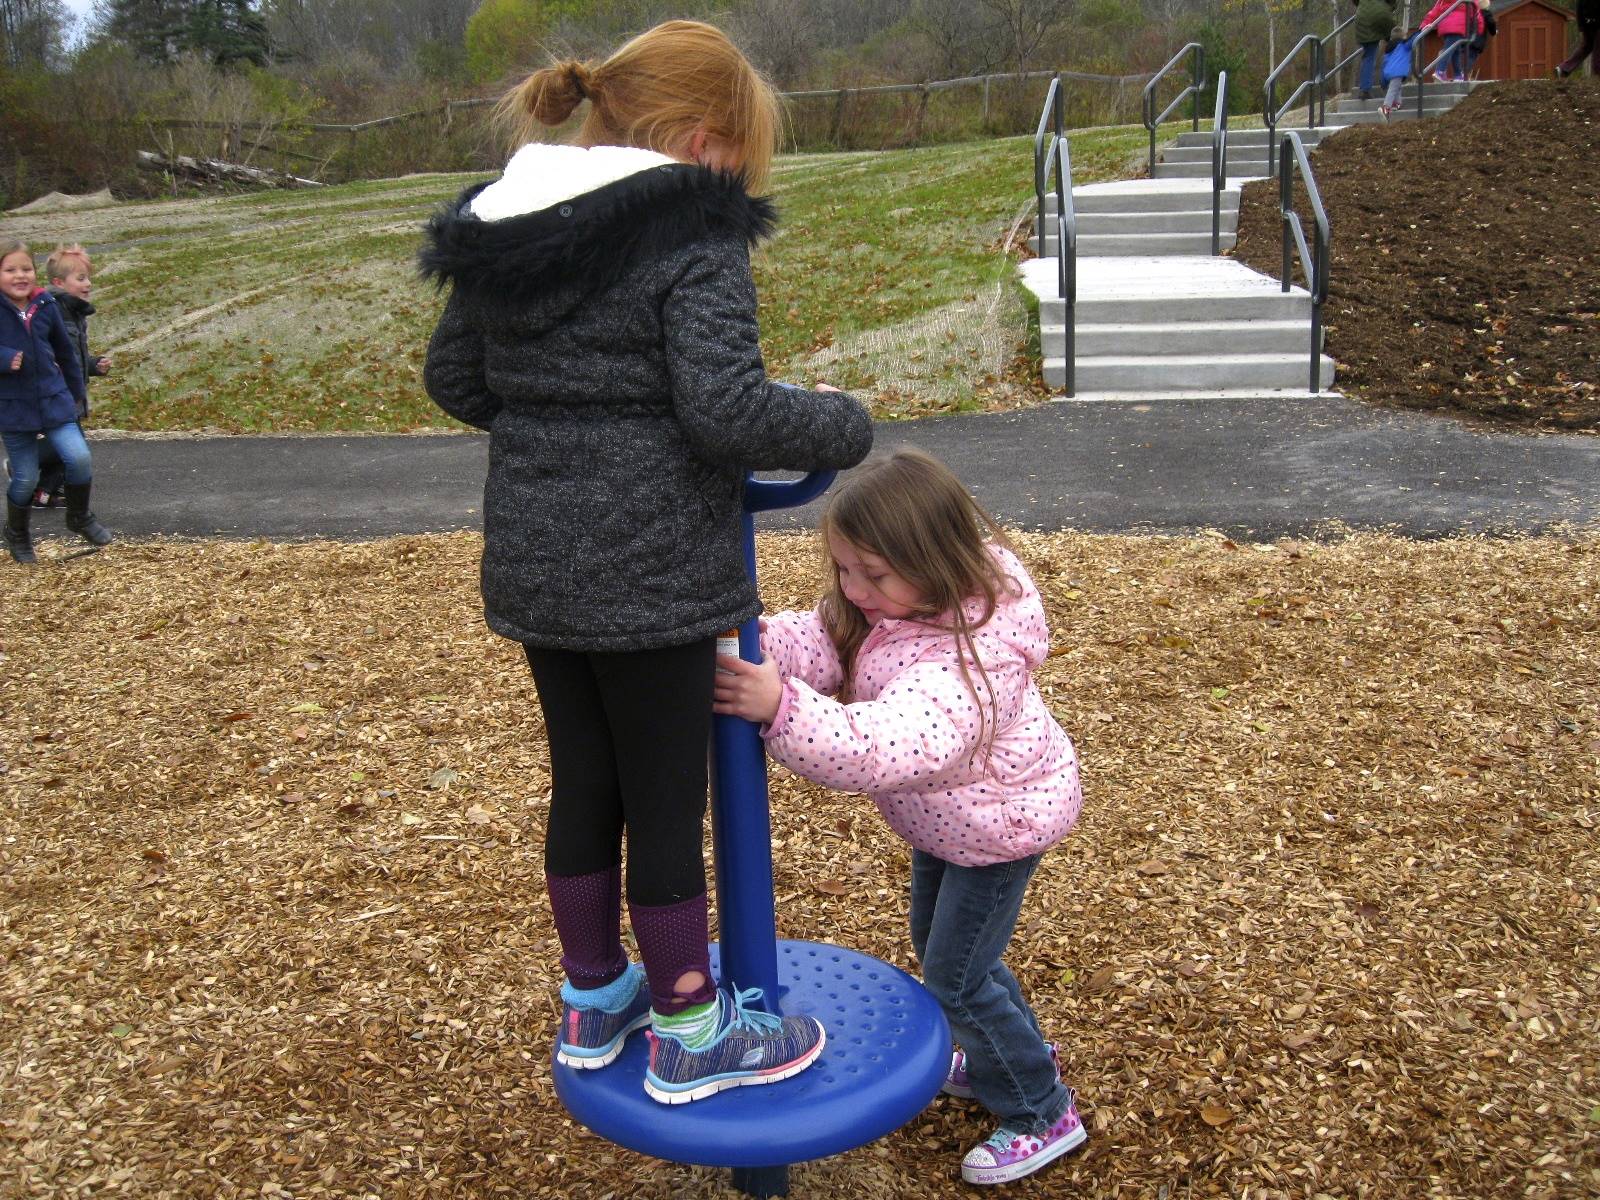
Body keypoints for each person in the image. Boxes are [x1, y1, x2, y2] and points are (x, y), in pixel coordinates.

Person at [419, 20, 873, 1104]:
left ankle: (595, 997)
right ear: (704, 141)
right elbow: (722, 411)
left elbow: (454, 378)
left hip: (538, 564)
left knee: (585, 782)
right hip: (656, 569)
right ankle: (688, 1029)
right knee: (668, 804)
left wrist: (556, 428)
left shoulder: (504, 220)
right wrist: (839, 425)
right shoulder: (689, 231)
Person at [713, 449, 1085, 1186]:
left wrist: (779, 706)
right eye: (844, 569)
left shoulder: (972, 661)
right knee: (948, 954)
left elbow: (883, 746)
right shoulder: (893, 601)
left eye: (872, 574)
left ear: (934, 560)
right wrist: (749, 639)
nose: (854, 589)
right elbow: (823, 637)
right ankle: (1003, 1055)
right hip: (946, 821)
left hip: (998, 827)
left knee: (956, 978)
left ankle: (1042, 1110)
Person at [1, 240, 112, 564]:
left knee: (78, 457)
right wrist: (6, 358)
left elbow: (65, 351)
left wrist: (76, 391)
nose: (20, 276)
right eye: (10, 270)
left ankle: (79, 516)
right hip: (13, 406)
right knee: (25, 477)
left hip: (54, 399)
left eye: (25, 269)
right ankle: (17, 533)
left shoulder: (45, 304)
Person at [34, 244, 111, 510]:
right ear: (58, 282)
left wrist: (92, 365)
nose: (88, 283)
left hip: (71, 392)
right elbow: (51, 355)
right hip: (58, 394)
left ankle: (43, 491)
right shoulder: (53, 312)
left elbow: (72, 356)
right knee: (71, 445)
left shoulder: (74, 312)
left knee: (68, 447)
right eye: (80, 278)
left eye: (88, 277)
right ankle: (28, 462)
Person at [1422, 0, 1481, 82]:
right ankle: (1440, 71)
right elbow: (1476, 10)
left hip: (1444, 26)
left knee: (1456, 50)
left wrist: (1425, 23)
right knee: (1449, 49)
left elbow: (1434, 12)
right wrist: (1479, 27)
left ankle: (1458, 75)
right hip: (1458, 26)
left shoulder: (1442, 1)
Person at [1354, 0, 1401, 99]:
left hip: (1361, 16)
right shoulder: (1385, 9)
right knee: (1394, 45)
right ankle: (1372, 87)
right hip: (1380, 15)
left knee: (1368, 55)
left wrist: (1363, 4)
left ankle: (1365, 88)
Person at [1556, 0, 1599, 78]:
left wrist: (1581, 27)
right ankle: (1597, 73)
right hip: (1592, 25)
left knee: (1586, 47)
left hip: (1588, 24)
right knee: (1596, 49)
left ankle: (1564, 68)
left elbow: (1579, 10)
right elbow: (1579, 10)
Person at [1380, 30, 1418, 118]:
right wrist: (1420, 30)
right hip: (1398, 71)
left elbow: (1384, 63)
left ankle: (1397, 103)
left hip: (1387, 72)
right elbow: (1413, 40)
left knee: (1397, 87)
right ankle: (1386, 108)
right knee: (1393, 89)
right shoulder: (1404, 45)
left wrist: (1383, 80)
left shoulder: (1388, 49)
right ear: (1402, 36)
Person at [1461, 0, 1498, 78]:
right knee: (1471, 57)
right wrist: (1494, 32)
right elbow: (1491, 23)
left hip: (1466, 37)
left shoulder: (1472, 12)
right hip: (1477, 40)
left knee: (1464, 56)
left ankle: (1460, 73)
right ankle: (1463, 74)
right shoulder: (1486, 13)